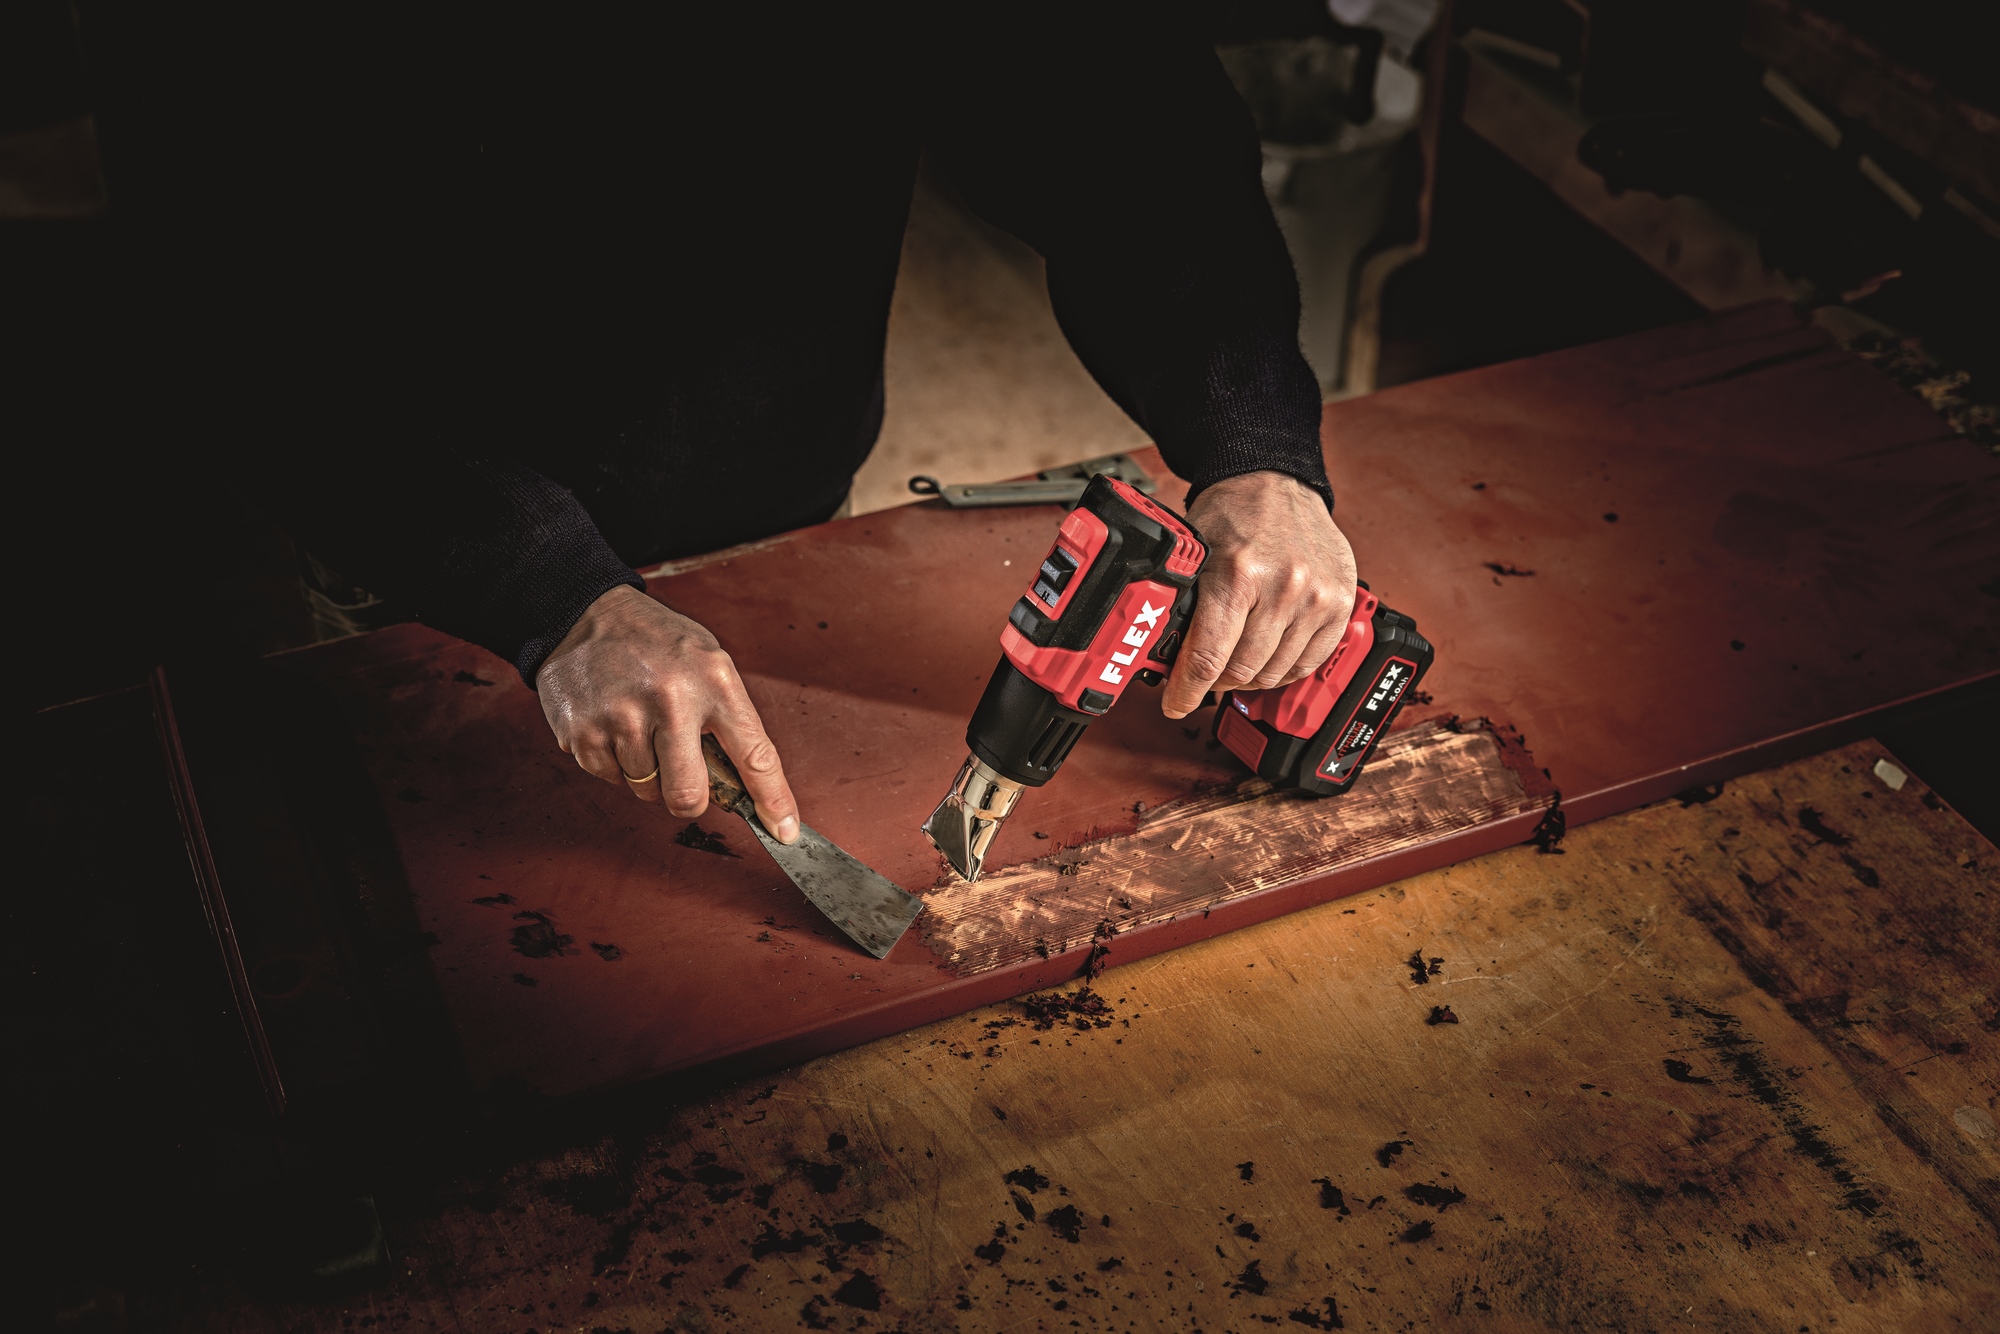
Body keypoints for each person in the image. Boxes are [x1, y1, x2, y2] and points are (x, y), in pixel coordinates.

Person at [129, 4, 1358, 843]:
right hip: (437, 531)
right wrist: (542, 590)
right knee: (453, 916)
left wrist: (1249, 437)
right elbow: (238, 313)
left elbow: (1123, 122)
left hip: (777, 496)